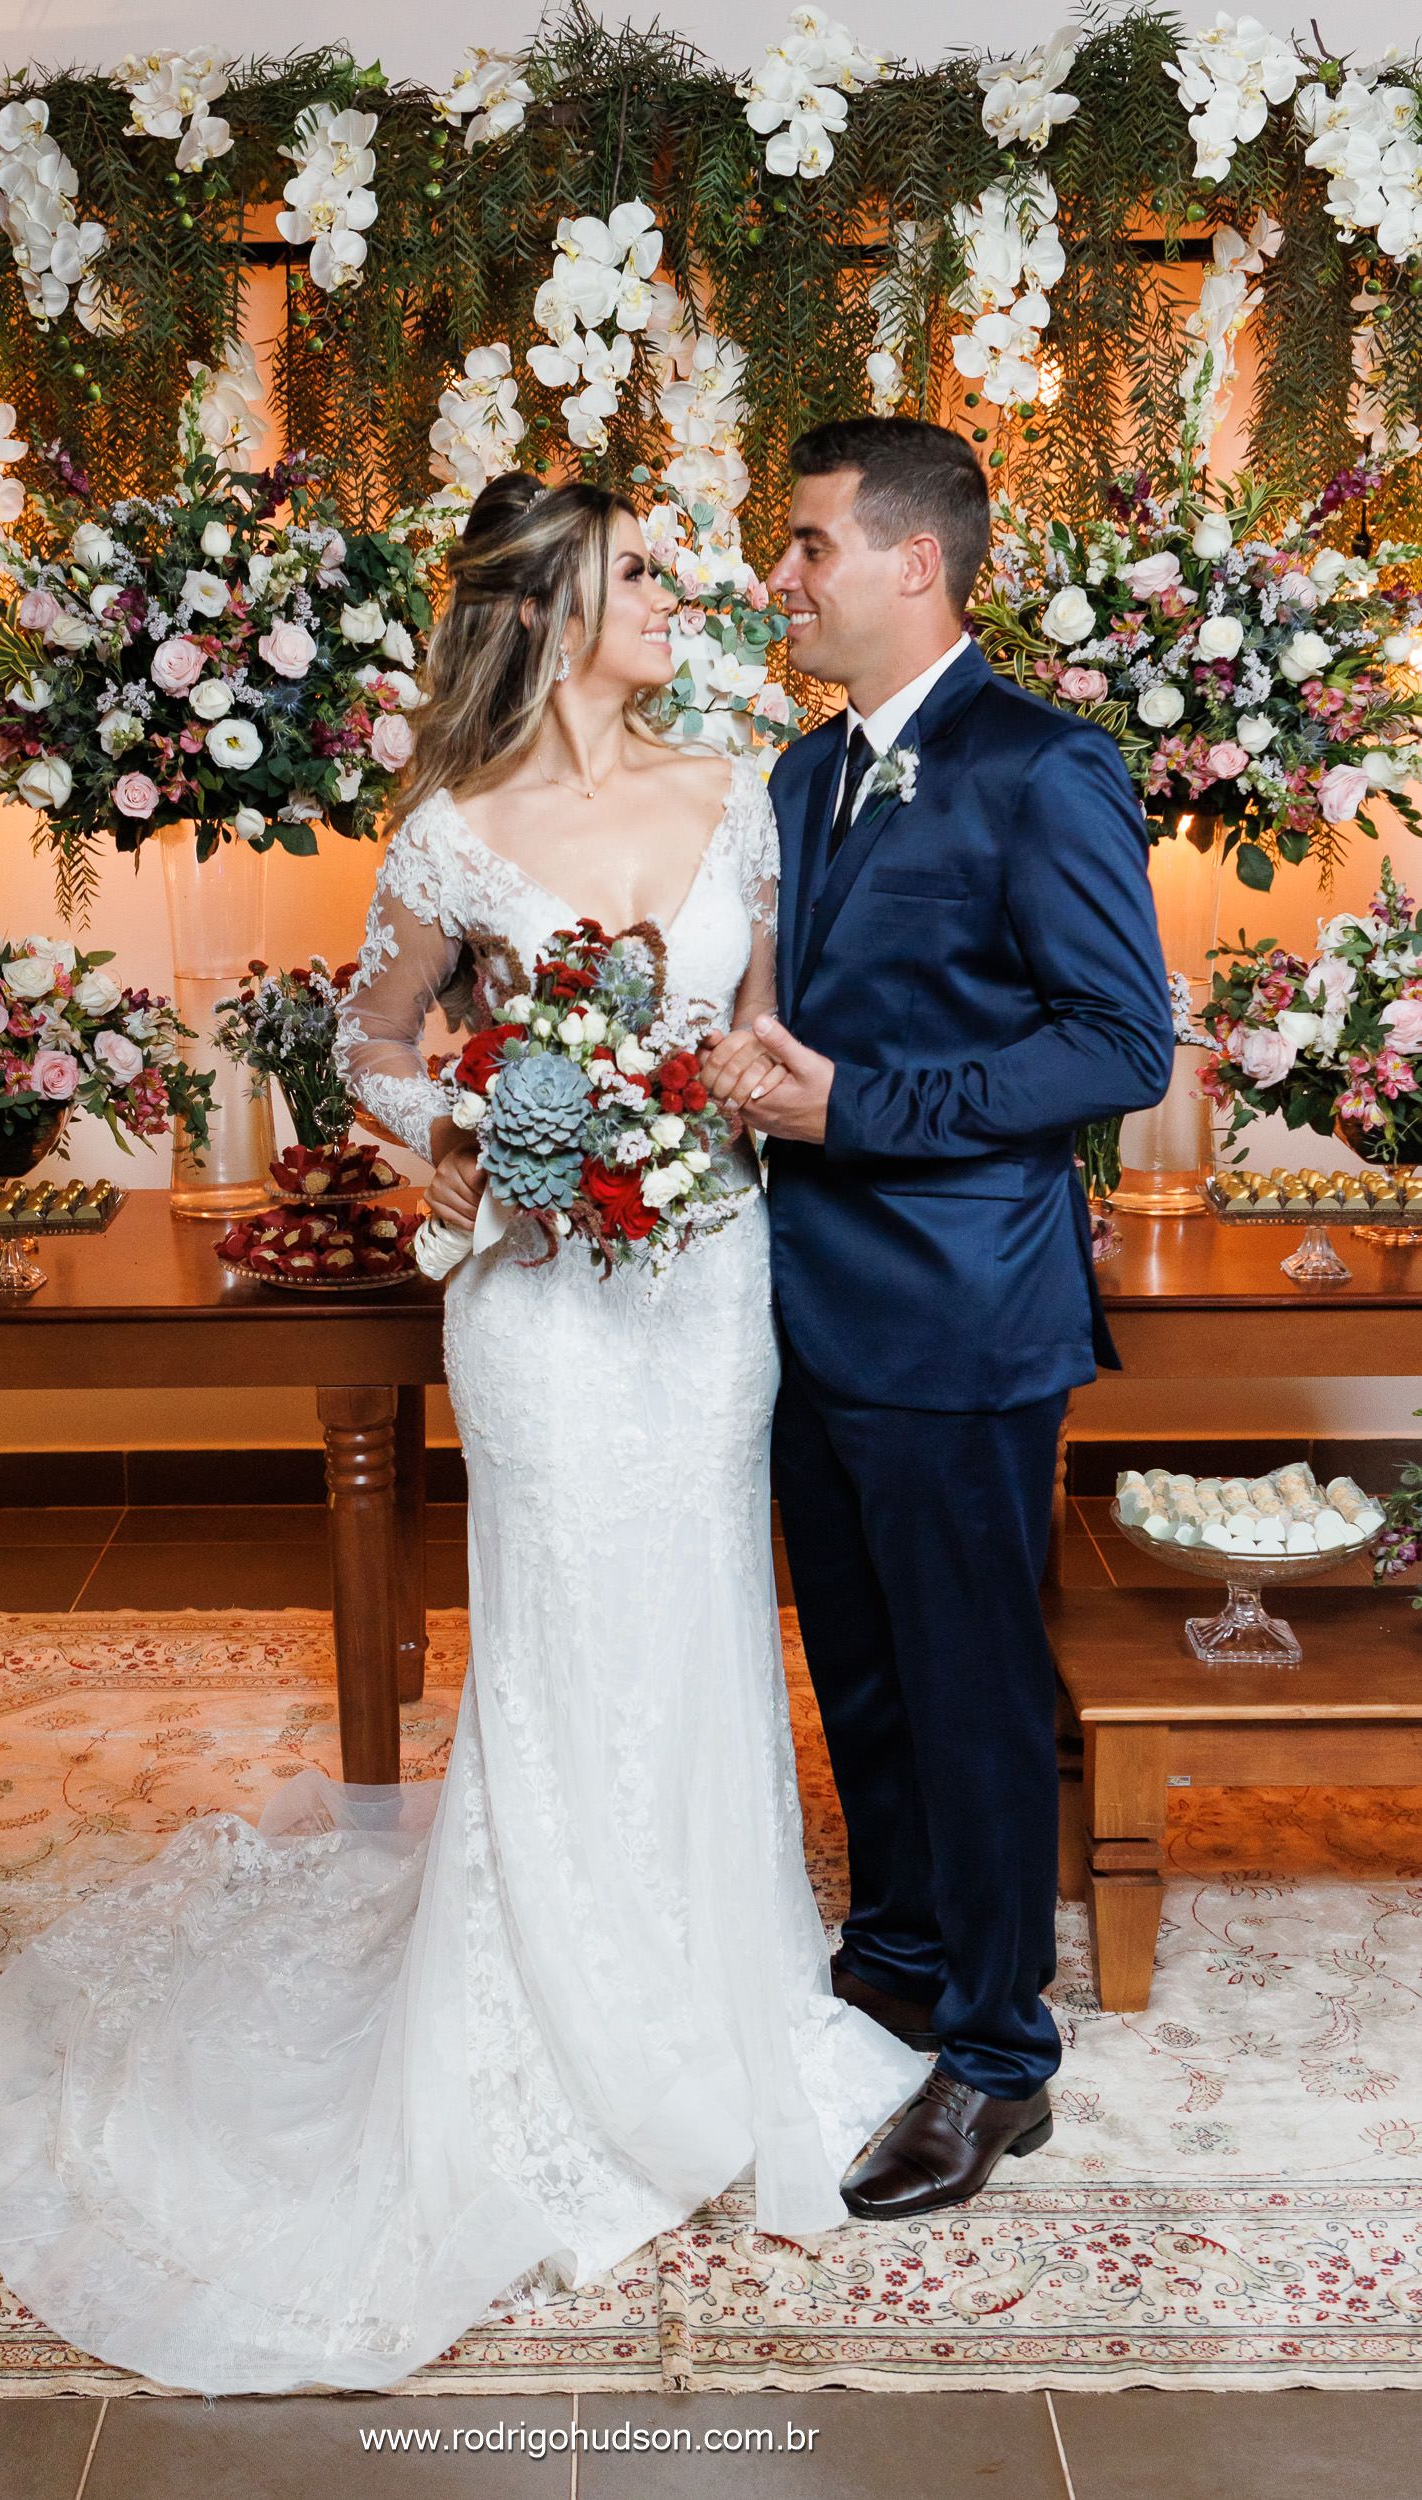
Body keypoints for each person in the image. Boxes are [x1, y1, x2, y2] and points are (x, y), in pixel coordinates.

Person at [0, 473, 924, 2396]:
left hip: (710, 1291)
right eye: (643, 573)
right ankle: (546, 2026)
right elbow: (368, 1045)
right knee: (564, 1639)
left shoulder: (743, 793)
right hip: (547, 1311)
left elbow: (759, 1031)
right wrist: (487, 1140)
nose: (681, 597)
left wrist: (707, 1095)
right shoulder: (451, 838)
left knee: (704, 1620)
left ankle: (717, 1993)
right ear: (555, 609)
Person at [700, 417, 1176, 2218]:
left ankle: (996, 2055)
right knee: (868, 1671)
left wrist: (856, 1110)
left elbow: (1117, 1045)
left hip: (963, 1315)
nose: (784, 577)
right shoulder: (808, 771)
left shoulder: (1043, 763)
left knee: (972, 1688)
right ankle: (894, 1961)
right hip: (803, 1307)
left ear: (916, 561)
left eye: (809, 543)